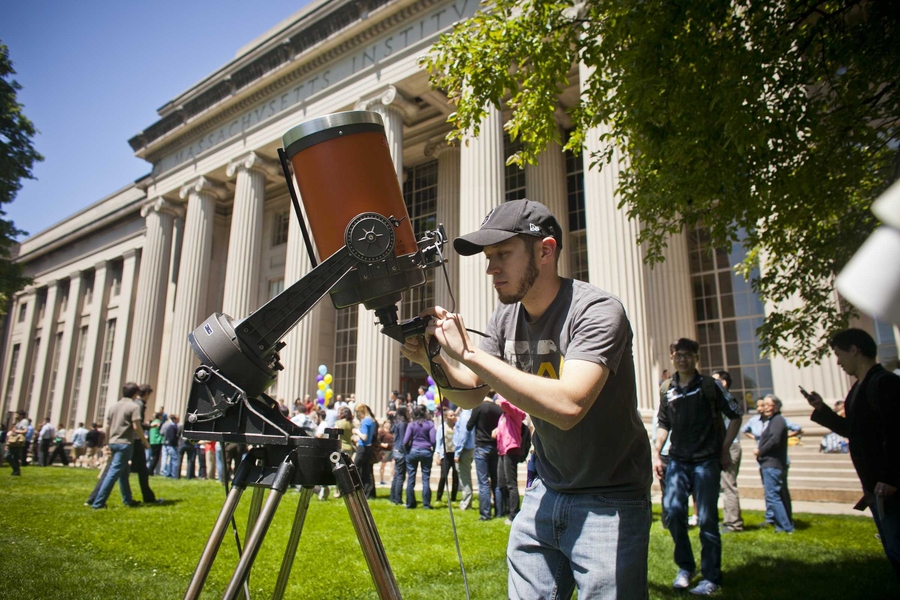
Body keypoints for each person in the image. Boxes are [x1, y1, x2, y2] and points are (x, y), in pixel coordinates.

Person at [401, 199, 652, 598]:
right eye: (487, 257)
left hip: (611, 498)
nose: (490, 268)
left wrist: (468, 352)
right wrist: (431, 361)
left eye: (502, 254)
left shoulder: (597, 310)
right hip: (545, 489)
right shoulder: (506, 318)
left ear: (545, 251)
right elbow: (472, 393)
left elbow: (569, 406)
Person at [806, 328, 900, 582]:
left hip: (889, 487)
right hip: (875, 487)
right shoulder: (857, 390)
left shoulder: (885, 383)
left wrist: (891, 478)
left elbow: (896, 433)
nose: (837, 362)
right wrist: (822, 410)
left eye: (838, 355)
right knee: (893, 549)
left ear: (855, 350)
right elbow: (854, 432)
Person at [654, 338, 743, 596]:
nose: (682, 359)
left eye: (688, 355)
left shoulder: (710, 386)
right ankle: (686, 567)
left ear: (696, 357)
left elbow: (736, 415)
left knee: (706, 520)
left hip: (706, 461)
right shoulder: (666, 388)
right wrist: (657, 453)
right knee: (672, 512)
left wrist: (724, 448)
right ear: (672, 358)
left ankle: (711, 576)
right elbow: (663, 423)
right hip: (678, 460)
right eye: (678, 355)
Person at [91, 382, 150, 509]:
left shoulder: (113, 406)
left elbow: (106, 427)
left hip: (113, 442)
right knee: (113, 473)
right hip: (125, 443)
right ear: (135, 393)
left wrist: (107, 443)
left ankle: (127, 500)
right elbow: (136, 427)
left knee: (124, 472)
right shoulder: (133, 407)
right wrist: (144, 441)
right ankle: (98, 502)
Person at [755, 395, 793, 533]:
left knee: (773, 496)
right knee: (780, 495)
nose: (764, 407)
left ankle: (785, 527)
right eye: (763, 404)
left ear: (776, 406)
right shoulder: (774, 421)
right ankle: (786, 524)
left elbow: (775, 440)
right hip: (773, 463)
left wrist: (760, 451)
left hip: (772, 464)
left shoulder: (777, 421)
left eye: (768, 404)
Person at [713, 370, 746, 534]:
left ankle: (734, 523)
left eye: (715, 381)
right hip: (726, 446)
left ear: (723, 383)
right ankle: (729, 521)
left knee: (728, 485)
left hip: (729, 446)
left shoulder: (725, 399)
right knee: (725, 485)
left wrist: (724, 448)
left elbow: (736, 417)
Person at [466, 392, 503, 521]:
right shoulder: (498, 408)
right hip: (495, 446)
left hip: (481, 446)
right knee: (496, 481)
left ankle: (485, 514)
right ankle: (499, 511)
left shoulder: (479, 407)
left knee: (483, 482)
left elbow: (469, 426)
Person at [495, 394, 526, 524]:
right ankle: (506, 510)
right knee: (502, 482)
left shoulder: (516, 412)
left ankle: (514, 514)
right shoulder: (503, 416)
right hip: (502, 451)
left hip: (511, 450)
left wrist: (500, 389)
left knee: (511, 484)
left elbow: (504, 403)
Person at [403, 404, 436, 509]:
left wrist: (407, 450)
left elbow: (405, 441)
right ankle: (426, 504)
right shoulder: (430, 424)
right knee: (425, 478)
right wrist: (433, 450)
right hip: (426, 451)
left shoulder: (412, 424)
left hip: (413, 450)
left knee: (411, 478)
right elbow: (433, 440)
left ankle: (410, 503)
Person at [353, 403, 378, 499]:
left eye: (358, 412)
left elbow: (364, 436)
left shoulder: (365, 421)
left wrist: (356, 431)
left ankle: (356, 489)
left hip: (363, 447)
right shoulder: (372, 420)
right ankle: (368, 493)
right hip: (369, 447)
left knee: (355, 469)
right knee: (367, 471)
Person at [453, 407, 476, 510]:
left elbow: (463, 434)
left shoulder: (465, 415)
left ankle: (466, 503)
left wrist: (458, 452)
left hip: (464, 450)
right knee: (465, 476)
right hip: (468, 449)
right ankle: (466, 500)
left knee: (464, 477)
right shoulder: (467, 414)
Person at [435, 407, 458, 504]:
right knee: (443, 476)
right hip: (446, 454)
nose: (453, 417)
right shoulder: (442, 427)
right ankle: (438, 497)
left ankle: (453, 498)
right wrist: (437, 454)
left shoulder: (457, 427)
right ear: (446, 417)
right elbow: (438, 442)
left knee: (455, 476)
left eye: (454, 415)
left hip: (455, 454)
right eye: (451, 415)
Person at [389, 405, 408, 505]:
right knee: (400, 476)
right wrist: (406, 452)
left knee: (396, 475)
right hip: (400, 451)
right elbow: (404, 440)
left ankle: (393, 497)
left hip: (395, 450)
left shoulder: (396, 422)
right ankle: (398, 499)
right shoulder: (403, 424)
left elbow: (391, 430)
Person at [4, 411, 28, 475]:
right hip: (13, 441)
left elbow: (25, 431)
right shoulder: (18, 422)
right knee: (15, 457)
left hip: (17, 441)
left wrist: (16, 431)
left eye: (16, 414)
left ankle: (16, 470)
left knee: (7, 456)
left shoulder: (24, 421)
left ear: (21, 415)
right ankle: (16, 471)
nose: (15, 415)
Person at [377, 420, 394, 486]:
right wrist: (382, 444)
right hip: (384, 451)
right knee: (383, 465)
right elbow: (377, 441)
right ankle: (381, 479)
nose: (387, 425)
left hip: (391, 450)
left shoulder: (391, 432)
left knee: (393, 464)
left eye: (388, 423)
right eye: (386, 423)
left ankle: (391, 478)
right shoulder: (381, 432)